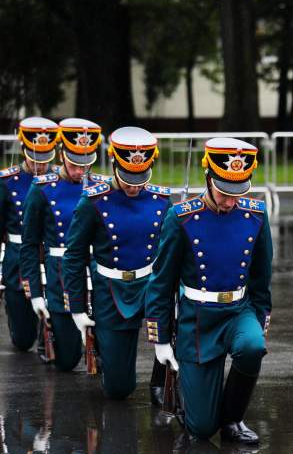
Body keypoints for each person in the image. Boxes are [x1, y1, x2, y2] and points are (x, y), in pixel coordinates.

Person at [145, 138, 272, 445]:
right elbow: (162, 282)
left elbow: (261, 273)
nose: (231, 201)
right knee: (201, 429)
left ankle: (232, 421)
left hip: (237, 311)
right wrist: (161, 339)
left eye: (238, 192)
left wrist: (259, 315)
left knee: (253, 347)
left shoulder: (255, 214)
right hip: (197, 318)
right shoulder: (182, 218)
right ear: (208, 178)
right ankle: (193, 399)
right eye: (225, 192)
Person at [63, 126, 172, 400]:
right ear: (114, 165)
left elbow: (175, 254)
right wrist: (76, 307)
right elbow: (74, 254)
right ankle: (105, 346)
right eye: (128, 177)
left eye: (140, 177)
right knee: (119, 389)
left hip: (150, 285)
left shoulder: (161, 200)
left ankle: (161, 382)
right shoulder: (93, 201)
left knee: (182, 318)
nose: (134, 185)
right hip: (111, 290)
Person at [20, 117, 104, 371]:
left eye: (86, 165)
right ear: (61, 154)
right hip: (60, 270)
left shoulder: (100, 186)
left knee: (105, 357)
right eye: (74, 164)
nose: (80, 172)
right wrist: (35, 293)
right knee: (68, 361)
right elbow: (30, 244)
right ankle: (51, 334)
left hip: (96, 268)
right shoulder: (42, 189)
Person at [0, 117, 58, 352]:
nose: (40, 165)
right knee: (23, 341)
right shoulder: (6, 182)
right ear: (23, 149)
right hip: (19, 258)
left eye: (45, 159)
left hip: (53, 257)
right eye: (35, 158)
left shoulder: (58, 180)